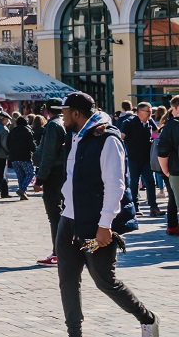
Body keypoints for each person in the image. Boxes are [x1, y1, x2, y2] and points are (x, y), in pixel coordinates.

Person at [55, 92, 158, 337]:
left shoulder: (107, 139)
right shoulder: (75, 137)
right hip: (68, 220)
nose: (62, 116)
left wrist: (105, 224)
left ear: (77, 113)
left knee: (105, 281)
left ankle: (148, 319)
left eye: (65, 111)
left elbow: (115, 185)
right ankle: (74, 333)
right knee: (67, 281)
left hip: (95, 222)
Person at [32, 97, 69, 266]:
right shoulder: (64, 123)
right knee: (62, 213)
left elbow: (48, 154)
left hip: (54, 173)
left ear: (47, 110)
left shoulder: (53, 125)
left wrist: (40, 179)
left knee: (54, 215)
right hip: (63, 172)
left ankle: (58, 252)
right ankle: (63, 250)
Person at [120, 102, 161, 217]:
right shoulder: (129, 122)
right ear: (138, 112)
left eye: (150, 111)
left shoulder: (150, 122)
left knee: (150, 182)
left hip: (146, 158)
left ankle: (153, 207)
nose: (150, 114)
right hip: (133, 158)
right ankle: (135, 207)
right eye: (147, 111)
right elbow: (121, 138)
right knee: (134, 183)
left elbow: (157, 132)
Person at [155, 95, 179, 237]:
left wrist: (166, 170)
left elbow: (163, 151)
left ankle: (172, 226)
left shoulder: (170, 125)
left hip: (176, 170)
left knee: (174, 198)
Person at [7, 115, 36, 201]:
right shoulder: (27, 131)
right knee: (30, 173)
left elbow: (8, 144)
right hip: (25, 157)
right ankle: (22, 190)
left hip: (14, 158)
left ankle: (22, 194)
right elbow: (32, 145)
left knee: (20, 176)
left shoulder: (12, 131)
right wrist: (35, 151)